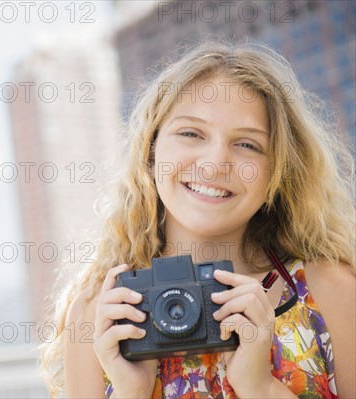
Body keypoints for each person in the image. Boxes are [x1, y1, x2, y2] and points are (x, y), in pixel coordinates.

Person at [39, 40, 356, 399]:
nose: (213, 163)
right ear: (151, 150)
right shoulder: (102, 310)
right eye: (191, 133)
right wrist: (131, 390)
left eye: (248, 145)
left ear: (277, 172)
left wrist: (259, 386)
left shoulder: (329, 290)